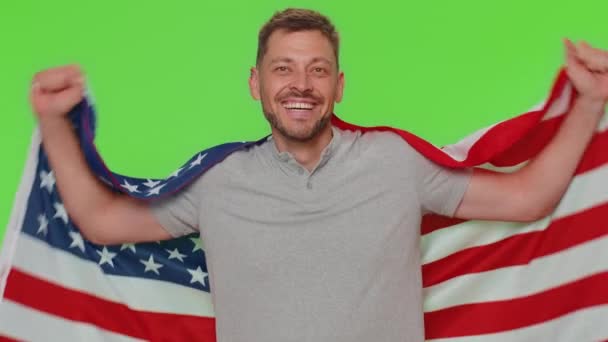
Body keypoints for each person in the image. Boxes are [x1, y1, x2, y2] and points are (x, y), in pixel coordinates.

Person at [29, 8, 608, 342]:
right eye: (283, 69)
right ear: (256, 84)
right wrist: (56, 123)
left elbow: (530, 198)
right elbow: (101, 222)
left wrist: (587, 103)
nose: (300, 84)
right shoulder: (218, 181)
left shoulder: (395, 163)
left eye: (317, 70)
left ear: (338, 85)